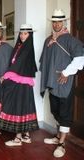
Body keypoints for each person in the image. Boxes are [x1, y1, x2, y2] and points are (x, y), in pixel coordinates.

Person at [40, 9, 84, 158]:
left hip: (64, 82)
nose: (57, 24)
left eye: (59, 21)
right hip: (53, 82)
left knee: (64, 112)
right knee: (55, 110)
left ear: (64, 22)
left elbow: (80, 59)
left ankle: (62, 144)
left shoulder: (71, 40)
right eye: (54, 21)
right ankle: (58, 136)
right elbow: (45, 61)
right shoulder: (49, 40)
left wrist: (66, 72)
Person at [0, 24, 39, 146]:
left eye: (25, 33)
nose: (22, 35)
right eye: (21, 33)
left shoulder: (27, 48)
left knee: (18, 107)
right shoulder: (19, 46)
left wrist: (5, 75)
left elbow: (18, 64)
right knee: (23, 107)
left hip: (21, 82)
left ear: (30, 35)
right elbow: (12, 63)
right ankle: (25, 135)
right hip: (18, 81)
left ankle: (18, 138)